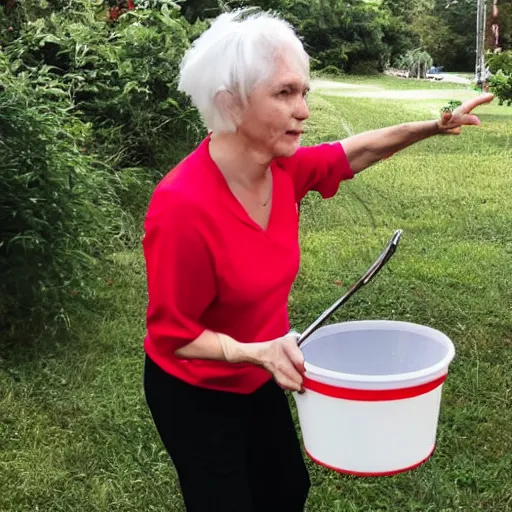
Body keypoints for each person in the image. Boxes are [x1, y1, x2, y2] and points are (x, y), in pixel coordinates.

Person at [141, 9, 493, 512]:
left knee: (286, 491)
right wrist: (256, 352)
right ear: (231, 104)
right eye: (284, 93)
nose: (303, 110)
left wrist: (434, 127)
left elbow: (355, 152)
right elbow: (174, 334)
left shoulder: (282, 170)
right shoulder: (181, 206)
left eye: (303, 92)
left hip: (261, 370)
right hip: (195, 390)